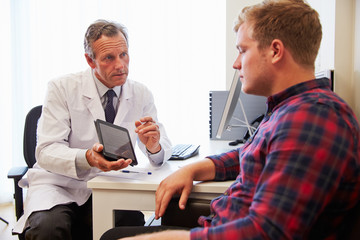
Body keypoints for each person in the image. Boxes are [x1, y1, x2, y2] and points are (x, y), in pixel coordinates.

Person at [100, 0, 360, 239]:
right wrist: (191, 169)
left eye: (242, 50)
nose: (236, 63)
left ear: (275, 51)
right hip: (222, 224)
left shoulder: (309, 119)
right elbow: (246, 154)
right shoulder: (289, 110)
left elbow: (265, 233)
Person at [12, 19, 172, 240]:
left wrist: (154, 146)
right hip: (59, 185)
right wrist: (87, 157)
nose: (120, 65)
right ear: (90, 60)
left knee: (129, 227)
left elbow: (161, 152)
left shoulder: (141, 93)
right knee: (49, 230)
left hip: (110, 185)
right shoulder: (61, 88)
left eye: (124, 54)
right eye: (109, 58)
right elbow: (46, 150)